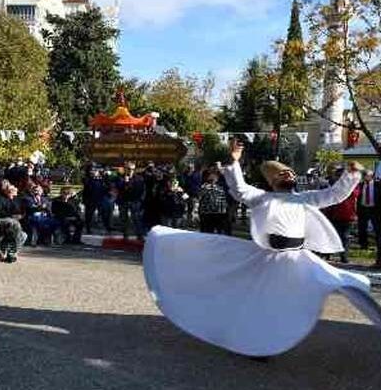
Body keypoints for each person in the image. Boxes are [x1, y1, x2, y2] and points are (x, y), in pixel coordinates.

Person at [144, 139, 381, 358]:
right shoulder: (264, 198)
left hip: (298, 257)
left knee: (344, 282)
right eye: (283, 174)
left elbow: (334, 195)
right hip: (270, 258)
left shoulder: (304, 198)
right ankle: (259, 342)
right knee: (263, 302)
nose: (288, 175)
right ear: (273, 180)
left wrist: (351, 175)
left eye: (289, 172)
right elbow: (239, 189)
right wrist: (234, 161)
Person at [323, 167, 359, 264]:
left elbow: (355, 195)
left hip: (347, 215)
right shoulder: (331, 184)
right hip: (333, 214)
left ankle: (344, 256)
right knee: (331, 234)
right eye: (338, 175)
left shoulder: (351, 186)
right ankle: (328, 254)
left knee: (345, 236)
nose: (339, 178)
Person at [356, 170, 381, 268]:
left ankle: (376, 249)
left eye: (367, 175)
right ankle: (364, 245)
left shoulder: (378, 185)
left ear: (372, 176)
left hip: (375, 210)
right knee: (362, 228)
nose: (365, 177)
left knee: (378, 231)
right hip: (363, 209)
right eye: (364, 175)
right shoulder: (360, 185)